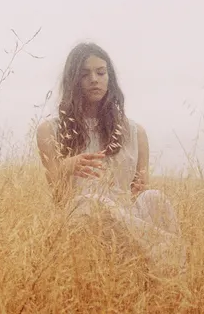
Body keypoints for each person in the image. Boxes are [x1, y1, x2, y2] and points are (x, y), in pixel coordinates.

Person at [36, 42, 186, 275]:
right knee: (93, 202)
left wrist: (140, 187)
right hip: (82, 219)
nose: (94, 79)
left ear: (110, 77)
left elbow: (139, 189)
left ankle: (170, 276)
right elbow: (57, 197)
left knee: (155, 198)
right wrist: (68, 166)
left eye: (101, 72)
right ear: (73, 80)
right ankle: (168, 251)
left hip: (127, 221)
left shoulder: (136, 133)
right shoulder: (51, 130)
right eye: (85, 74)